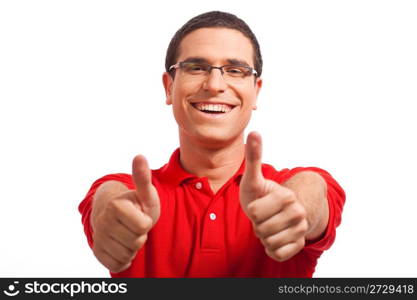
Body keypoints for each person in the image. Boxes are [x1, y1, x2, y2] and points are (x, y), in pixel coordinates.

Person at [78, 11, 345, 278]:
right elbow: (106, 199)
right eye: (196, 67)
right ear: (169, 86)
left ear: (256, 91)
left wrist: (297, 207)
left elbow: (313, 191)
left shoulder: (286, 187)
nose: (215, 85)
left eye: (235, 71)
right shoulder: (132, 194)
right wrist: (109, 214)